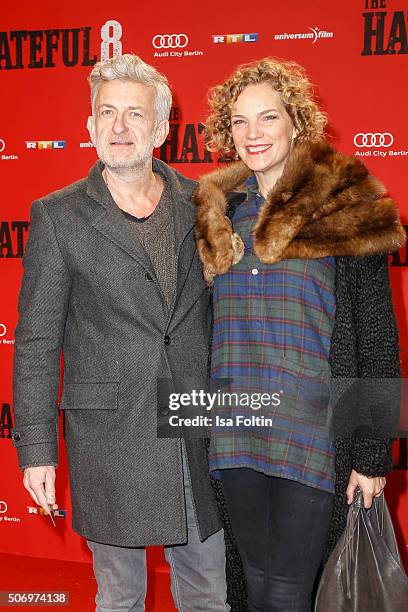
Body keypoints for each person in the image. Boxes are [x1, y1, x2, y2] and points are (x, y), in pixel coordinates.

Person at [12, 53, 229, 612]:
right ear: (89, 126)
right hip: (110, 436)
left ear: (160, 128)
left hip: (195, 425)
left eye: (135, 114)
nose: (118, 126)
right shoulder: (57, 216)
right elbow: (36, 341)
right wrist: (37, 450)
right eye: (107, 112)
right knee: (121, 597)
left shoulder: (203, 202)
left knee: (209, 594)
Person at [193, 57, 405, 612]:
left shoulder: (346, 206)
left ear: (295, 123)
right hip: (234, 435)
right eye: (239, 122)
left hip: (312, 439)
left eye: (268, 118)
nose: (253, 134)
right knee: (252, 588)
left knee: (287, 593)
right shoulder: (219, 216)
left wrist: (373, 453)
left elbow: (378, 336)